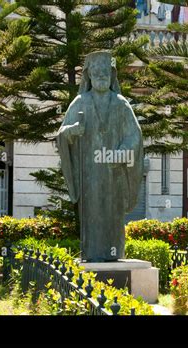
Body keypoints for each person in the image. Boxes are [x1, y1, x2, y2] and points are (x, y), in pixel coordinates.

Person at [56, 51, 143, 262]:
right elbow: (61, 133)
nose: (101, 77)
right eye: (97, 74)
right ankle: (93, 255)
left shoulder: (121, 104)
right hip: (90, 175)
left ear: (111, 77)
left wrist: (121, 152)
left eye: (105, 73)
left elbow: (135, 135)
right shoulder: (80, 102)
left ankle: (114, 254)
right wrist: (71, 132)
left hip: (115, 175)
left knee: (113, 217)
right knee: (92, 216)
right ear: (90, 77)